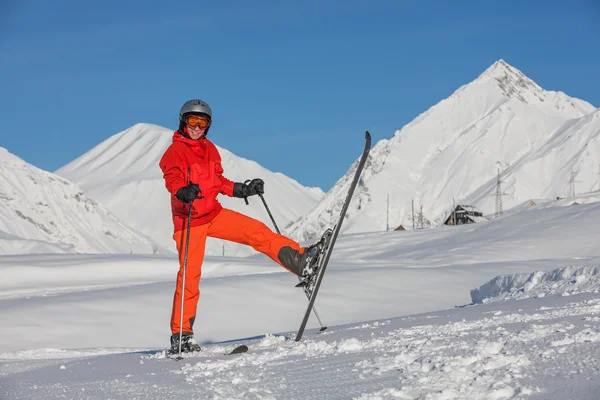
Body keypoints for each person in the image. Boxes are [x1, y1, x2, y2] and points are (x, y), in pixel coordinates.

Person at [159, 99, 322, 353]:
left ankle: (300, 261)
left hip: (213, 213)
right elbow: (172, 179)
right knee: (190, 276)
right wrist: (182, 191)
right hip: (189, 221)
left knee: (255, 231)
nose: (197, 127)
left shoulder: (210, 149)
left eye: (202, 123)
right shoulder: (174, 152)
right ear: (183, 121)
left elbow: (219, 182)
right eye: (192, 121)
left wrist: (243, 189)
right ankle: (182, 335)